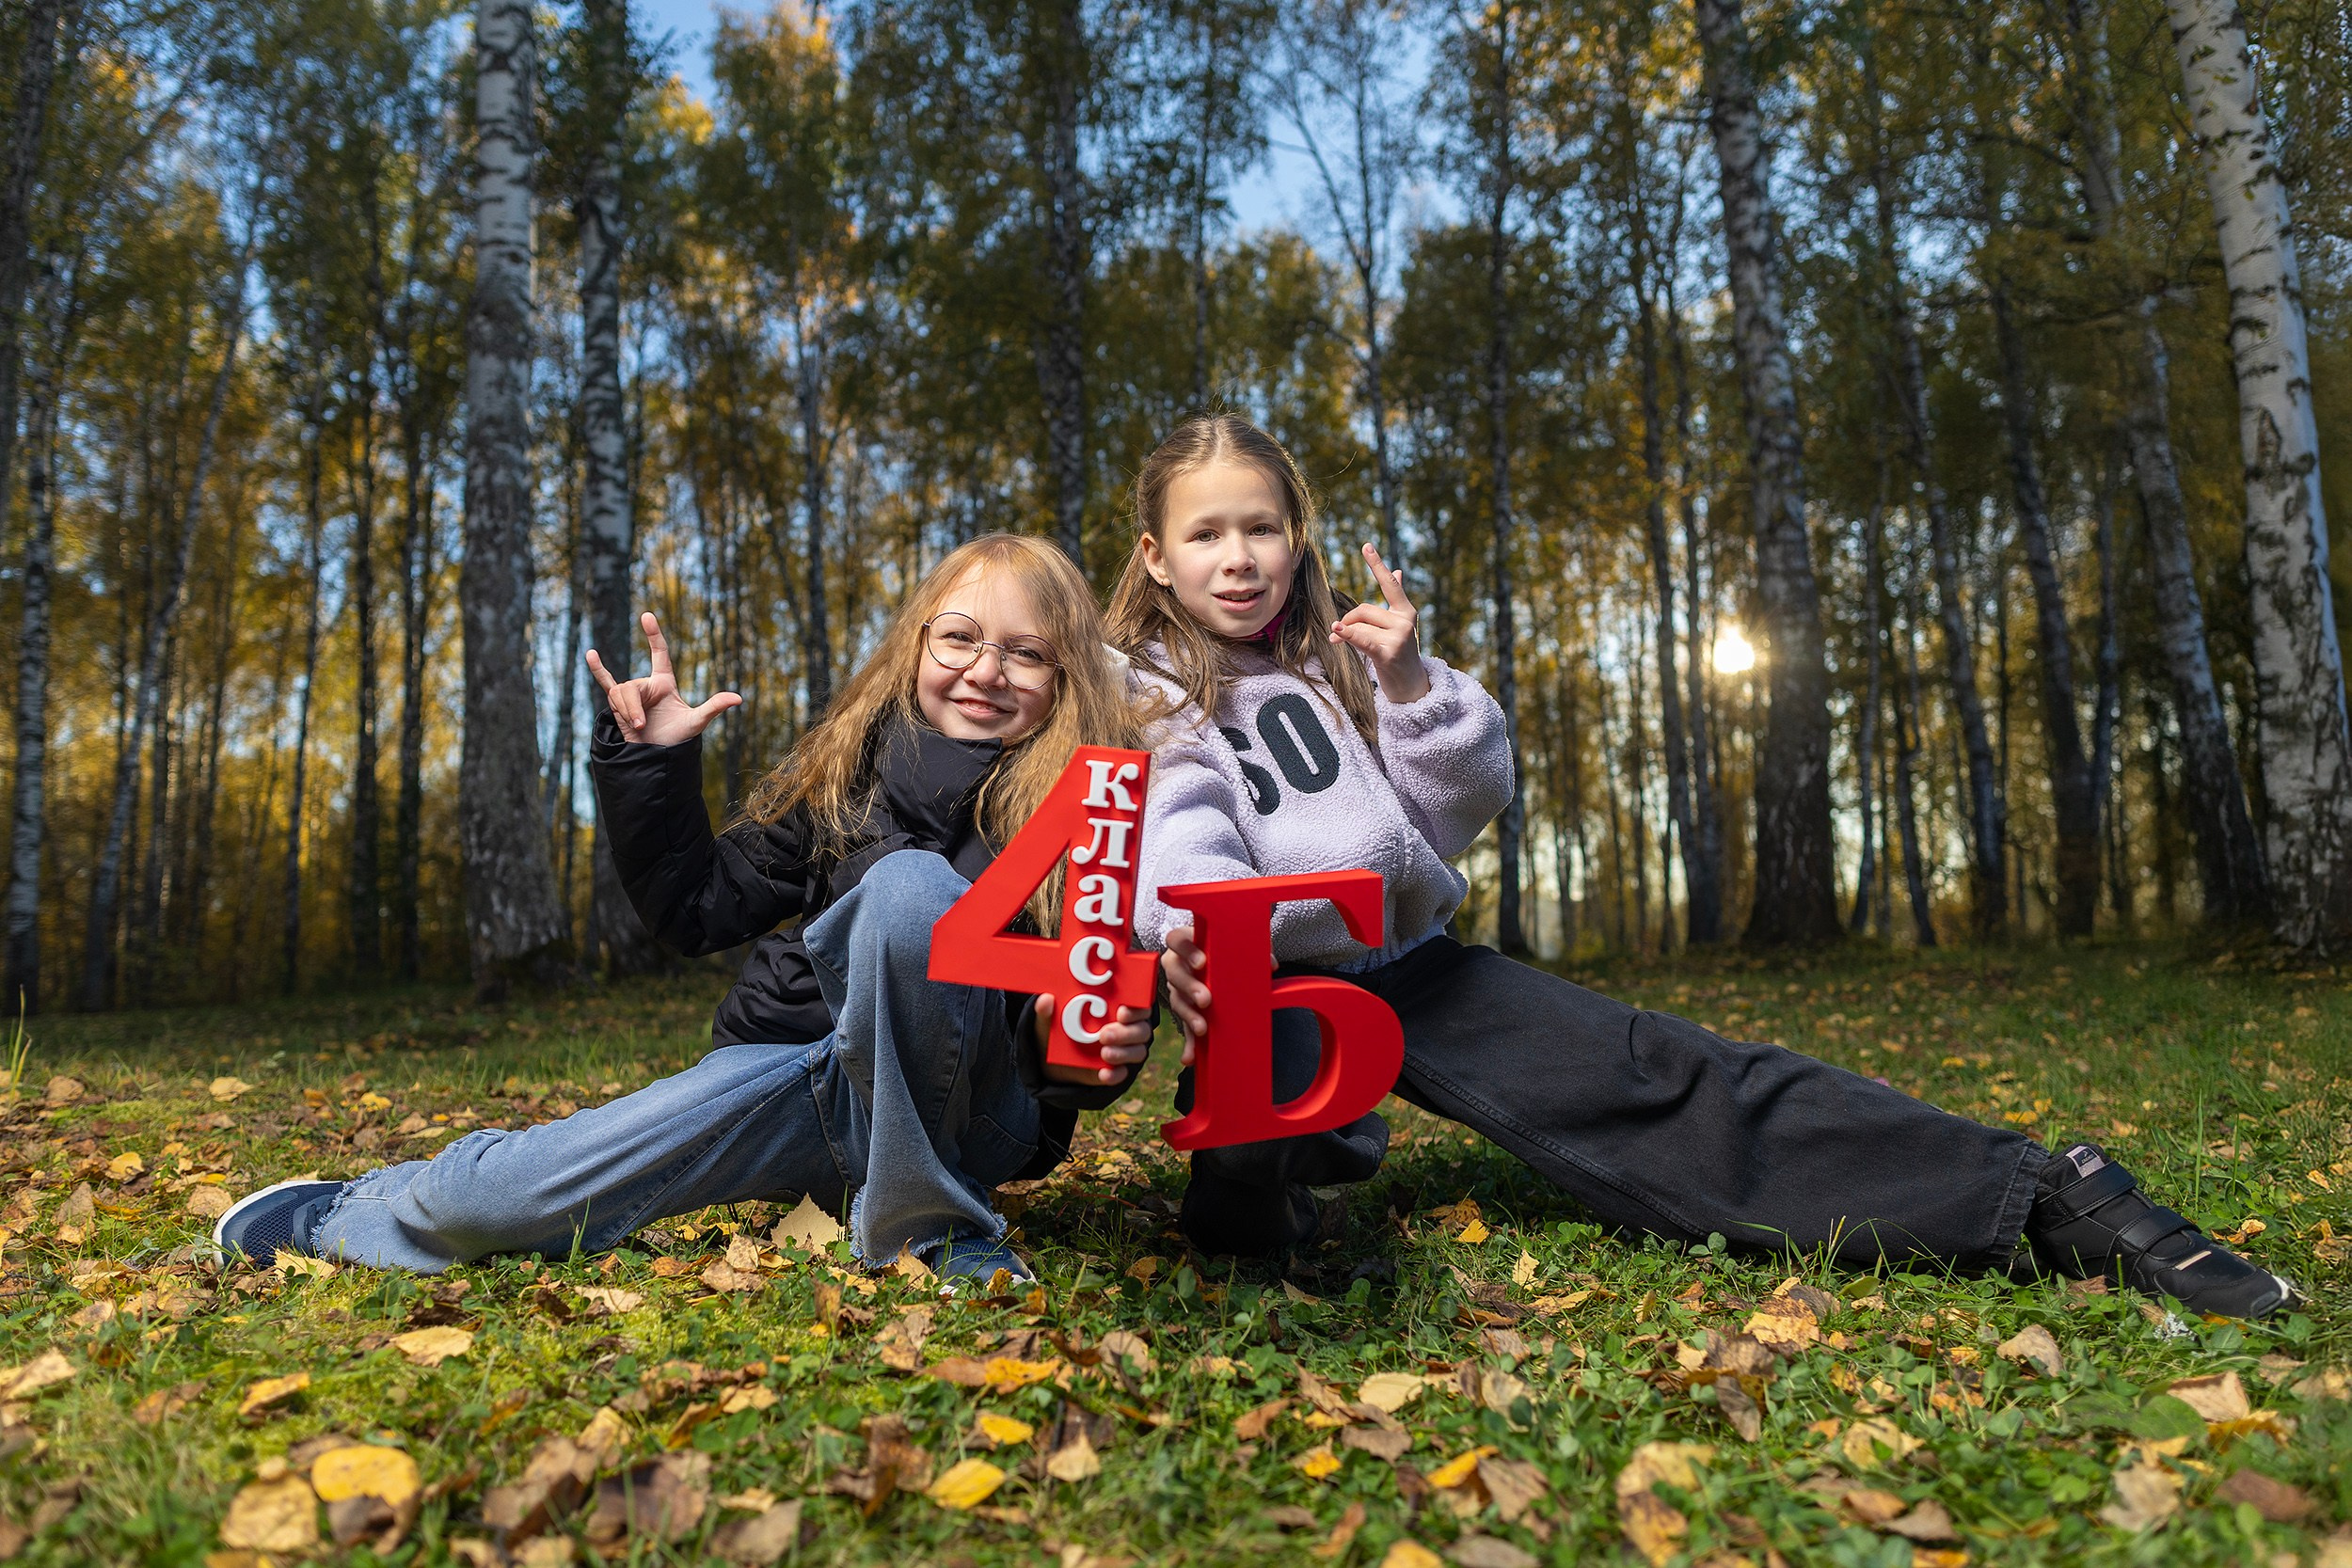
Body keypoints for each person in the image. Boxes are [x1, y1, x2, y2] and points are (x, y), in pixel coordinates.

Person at [1106, 412, 2298, 1322]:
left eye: (1261, 524)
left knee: (1663, 1069)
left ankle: (2048, 1196)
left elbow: (1448, 810)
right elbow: (1185, 829)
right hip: (1268, 987)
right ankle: (1287, 1166)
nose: (1240, 555)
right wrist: (1203, 937)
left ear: (1294, 533)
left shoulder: (1343, 659)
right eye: (1207, 533)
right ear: (1157, 557)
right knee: (1245, 1210)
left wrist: (1414, 687)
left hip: (1411, 965)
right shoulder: (1149, 690)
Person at [215, 534, 1149, 1284]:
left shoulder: (1088, 813)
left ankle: (929, 1227)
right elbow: (697, 907)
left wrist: (1085, 1049)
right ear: (915, 650)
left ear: (1066, 675)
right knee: (503, 1200)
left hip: (967, 1115)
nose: (986, 669)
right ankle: (359, 1211)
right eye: (960, 638)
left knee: (909, 893)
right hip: (805, 1085)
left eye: (1026, 652)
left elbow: (1079, 1045)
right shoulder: (840, 782)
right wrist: (653, 768)